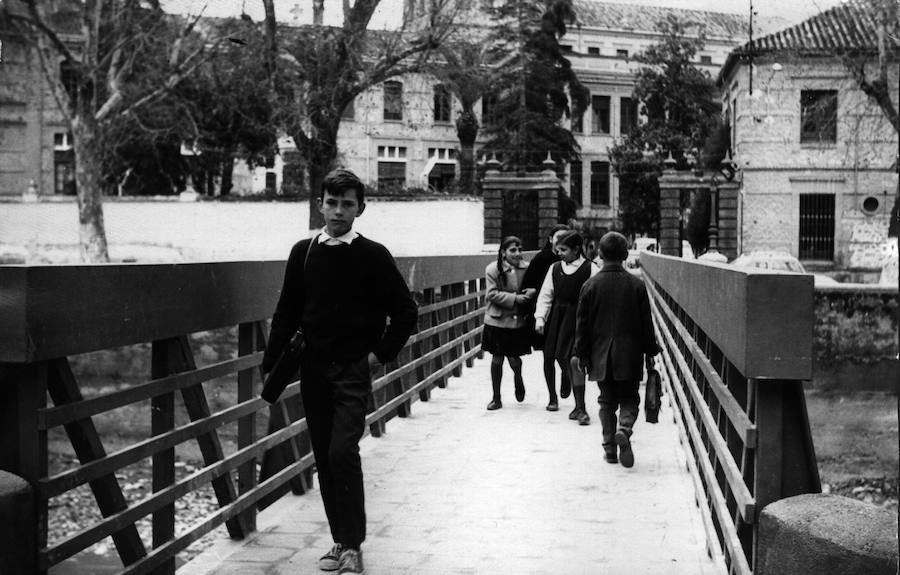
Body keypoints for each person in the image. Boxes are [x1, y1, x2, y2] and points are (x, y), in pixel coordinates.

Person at [263, 168, 418, 574]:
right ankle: (339, 540)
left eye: (347, 204)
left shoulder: (373, 255)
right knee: (324, 457)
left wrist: (378, 354)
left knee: (341, 451)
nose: (337, 211)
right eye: (331, 203)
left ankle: (353, 544)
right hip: (313, 369)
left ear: (360, 208)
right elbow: (286, 312)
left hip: (352, 371)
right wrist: (271, 366)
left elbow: (405, 310)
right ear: (320, 205)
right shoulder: (304, 252)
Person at [574, 231, 660, 467]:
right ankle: (625, 427)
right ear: (625, 255)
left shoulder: (589, 285)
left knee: (605, 401)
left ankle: (610, 449)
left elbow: (582, 325)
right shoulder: (637, 285)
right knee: (630, 398)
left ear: (599, 254)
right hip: (630, 355)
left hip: (600, 355)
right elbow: (646, 324)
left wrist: (581, 354)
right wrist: (650, 352)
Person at [534, 230, 600, 423]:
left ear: (576, 249)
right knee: (560, 358)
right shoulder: (555, 268)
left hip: (580, 319)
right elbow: (546, 295)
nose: (560, 253)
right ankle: (575, 403)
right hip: (559, 318)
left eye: (563, 249)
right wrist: (540, 318)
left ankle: (581, 407)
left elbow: (597, 296)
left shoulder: (591, 269)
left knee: (574, 360)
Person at [520, 224, 570, 411]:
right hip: (545, 313)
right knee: (548, 355)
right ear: (550, 239)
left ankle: (566, 374)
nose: (561, 241)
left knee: (563, 354)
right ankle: (552, 397)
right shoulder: (541, 259)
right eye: (558, 237)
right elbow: (527, 286)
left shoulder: (574, 260)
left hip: (565, 314)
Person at [482, 235, 536, 410]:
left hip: (517, 321)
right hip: (497, 320)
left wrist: (531, 293)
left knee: (514, 357)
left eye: (520, 249)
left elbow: (536, 285)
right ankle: (496, 398)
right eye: (512, 250)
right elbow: (491, 294)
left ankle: (518, 378)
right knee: (497, 357)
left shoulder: (527, 268)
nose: (517, 253)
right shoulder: (492, 269)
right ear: (503, 252)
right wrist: (516, 298)